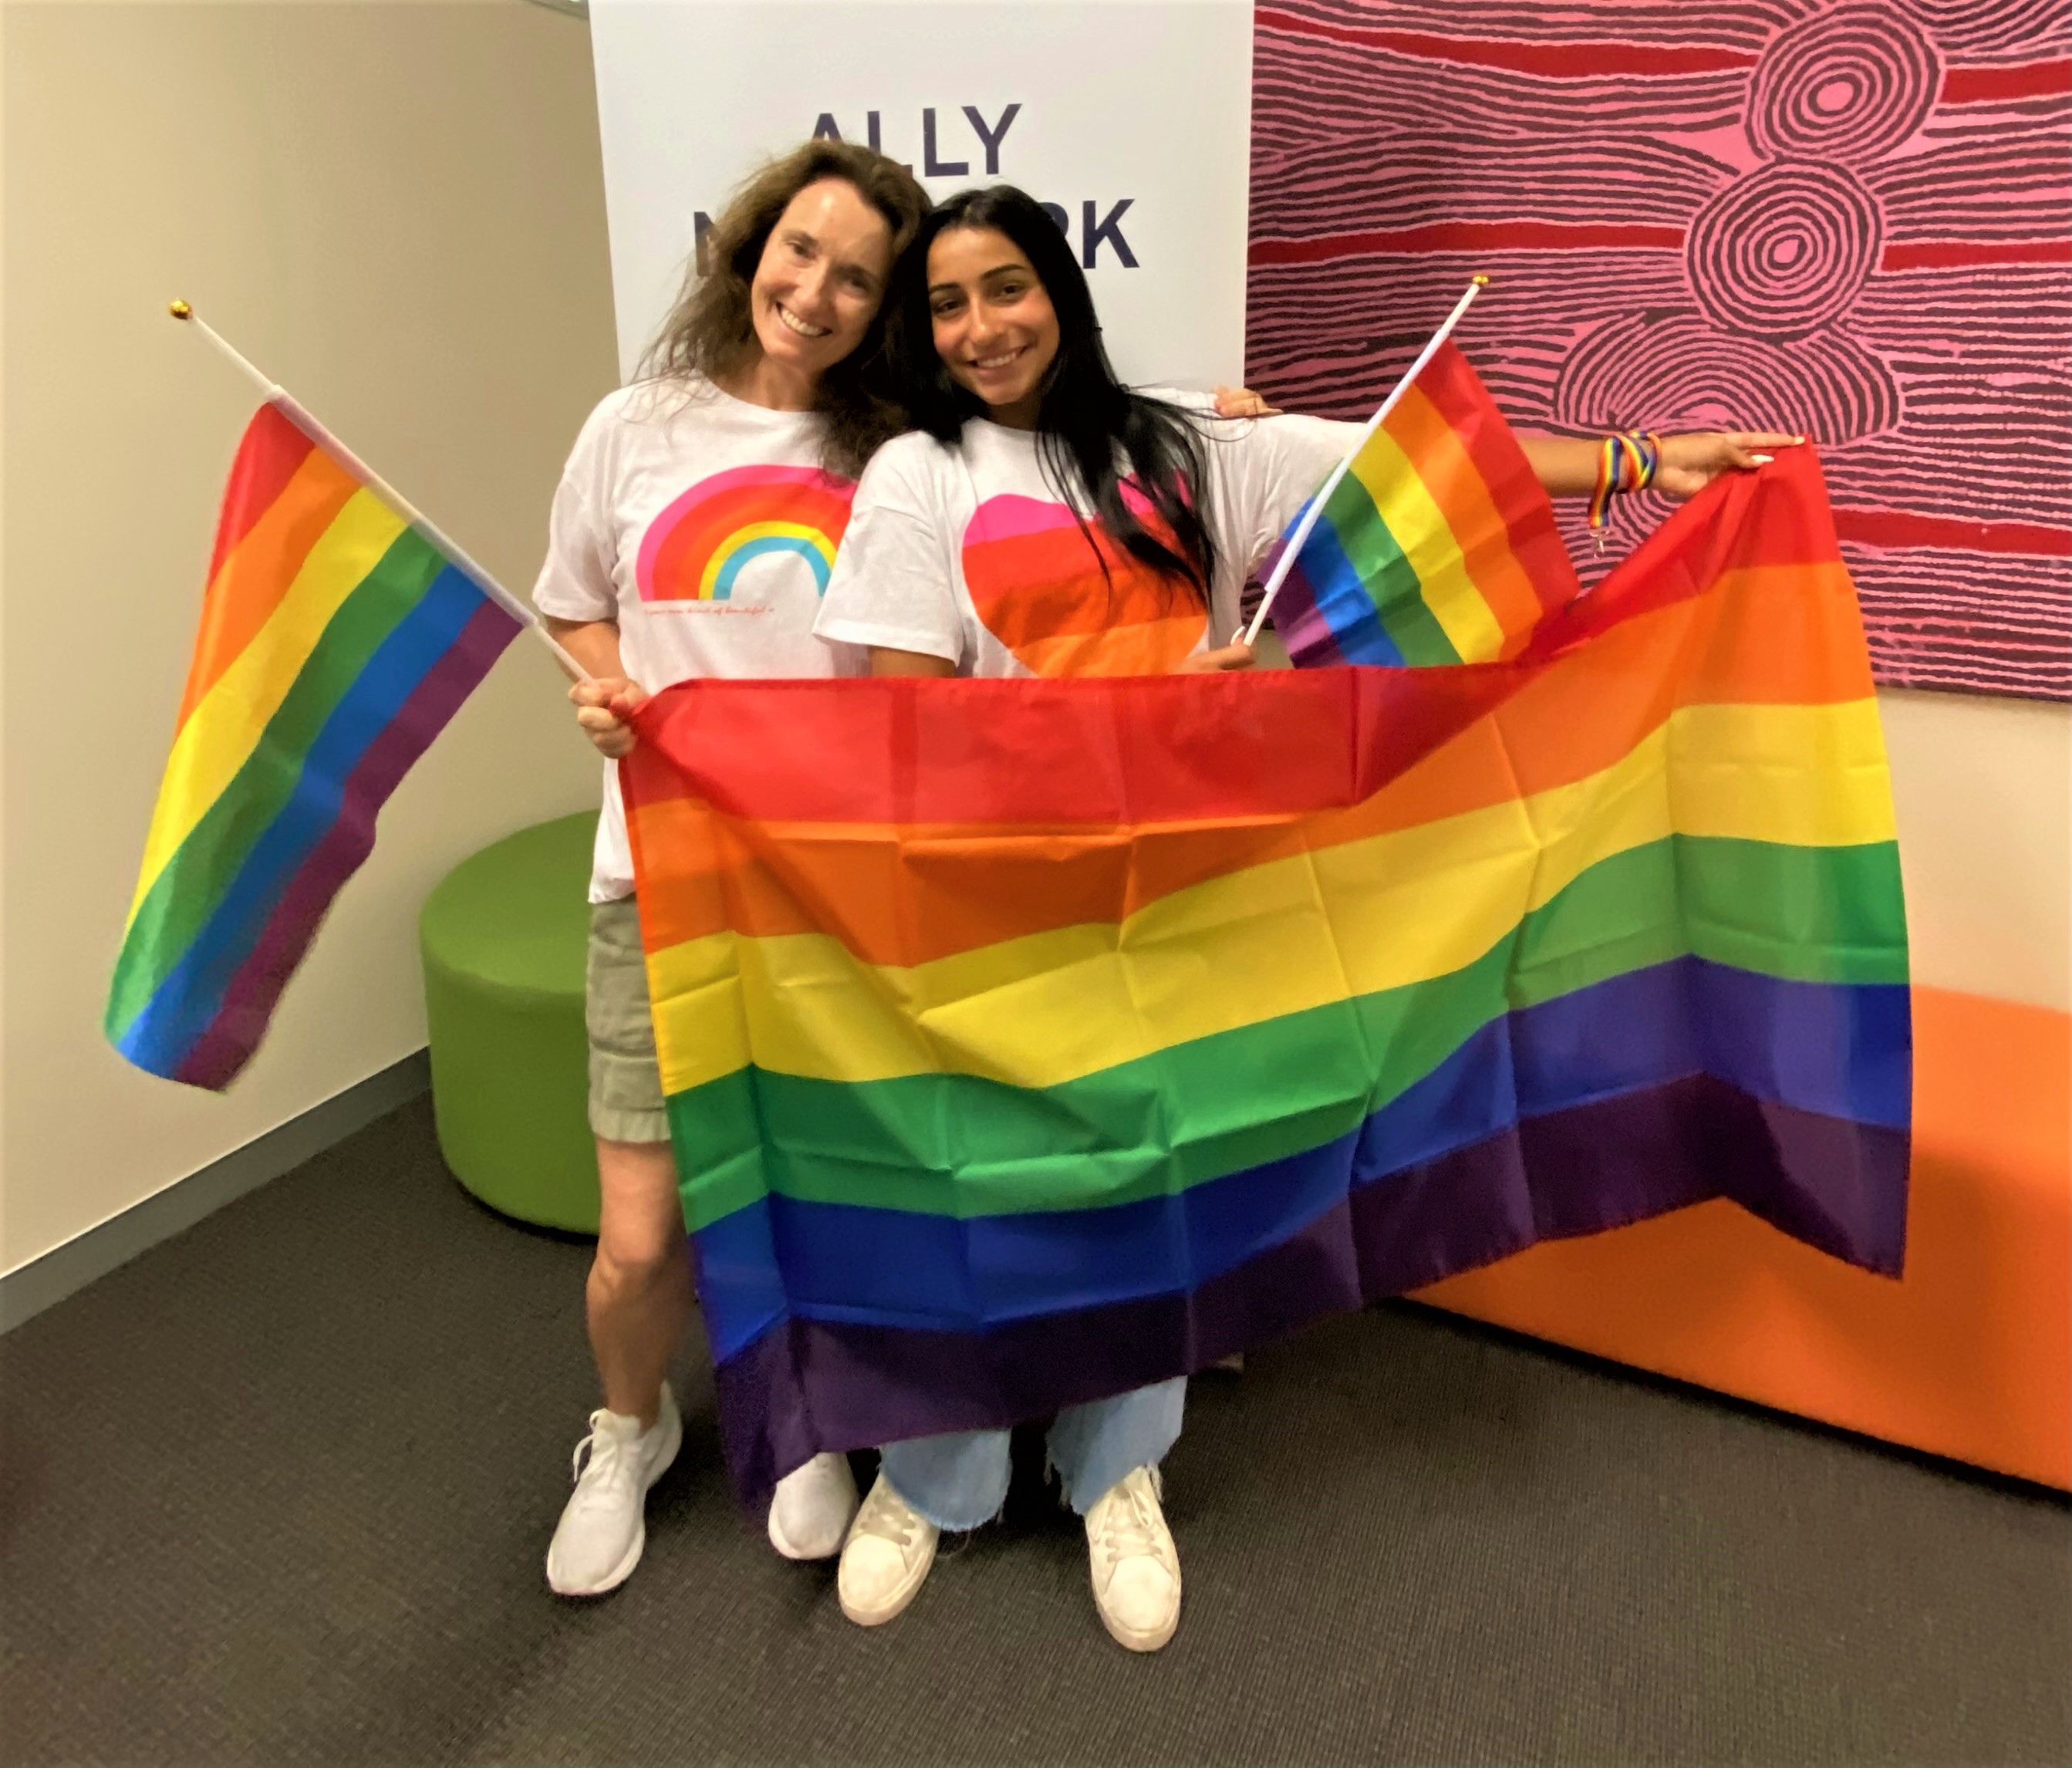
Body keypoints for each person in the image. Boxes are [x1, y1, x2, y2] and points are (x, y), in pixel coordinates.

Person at [811, 183, 1799, 1649]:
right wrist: (1140, 712)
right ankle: (930, 1473)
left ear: (1060, 294)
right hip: (997, 896)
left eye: (1004, 289)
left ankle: (1115, 1471)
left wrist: (1658, 459)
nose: (978, 329)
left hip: (1189, 895)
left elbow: (1434, 482)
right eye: (946, 305)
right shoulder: (917, 474)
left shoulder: (1188, 444)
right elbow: (900, 724)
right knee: (972, 1178)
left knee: (1157, 1180)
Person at [530, 139, 929, 1598]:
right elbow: (571, 605)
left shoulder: (893, 456)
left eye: (857, 280)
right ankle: (626, 1428)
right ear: (748, 245)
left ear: (884, 311)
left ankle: (809, 1406)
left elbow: (1059, 425)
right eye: (799, 252)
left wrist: (1223, 408)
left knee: (815, 1190)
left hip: (825, 886)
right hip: (657, 876)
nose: (814, 293)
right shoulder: (635, 427)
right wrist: (609, 686)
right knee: (640, 1241)